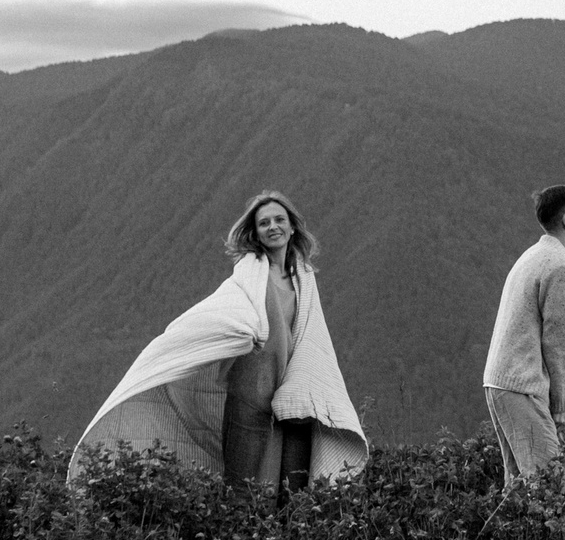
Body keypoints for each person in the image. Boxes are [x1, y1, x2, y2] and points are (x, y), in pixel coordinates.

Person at [68, 190, 368, 491]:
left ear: (292, 228)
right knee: (244, 481)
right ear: (256, 233)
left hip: (293, 393)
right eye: (264, 223)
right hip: (252, 388)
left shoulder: (304, 278)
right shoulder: (249, 275)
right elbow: (223, 313)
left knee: (293, 483)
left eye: (279, 220)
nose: (273, 227)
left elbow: (311, 334)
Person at [483, 183, 565, 485]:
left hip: (499, 381)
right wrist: (560, 407)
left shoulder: (532, 255)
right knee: (548, 484)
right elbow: (558, 340)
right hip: (521, 385)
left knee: (517, 485)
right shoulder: (561, 265)